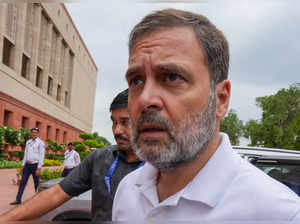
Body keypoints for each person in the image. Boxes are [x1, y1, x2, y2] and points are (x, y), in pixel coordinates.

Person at [112, 9, 300, 221]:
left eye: (172, 77)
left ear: (221, 99)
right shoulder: (128, 191)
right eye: (136, 81)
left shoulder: (280, 214)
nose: (145, 99)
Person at [0, 89, 143, 222]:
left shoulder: (161, 167)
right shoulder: (100, 158)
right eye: (114, 122)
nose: (117, 130)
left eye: (125, 122)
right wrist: (5, 219)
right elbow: (55, 194)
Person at [10, 127, 45, 205]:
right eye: (32, 132)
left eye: (35, 132)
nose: (33, 133)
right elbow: (25, 154)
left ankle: (39, 200)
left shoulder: (40, 143)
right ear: (31, 133)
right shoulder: (28, 142)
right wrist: (23, 165)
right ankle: (18, 199)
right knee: (23, 182)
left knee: (37, 183)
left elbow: (42, 156)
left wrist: (39, 168)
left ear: (38, 134)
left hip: (35, 165)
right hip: (27, 165)